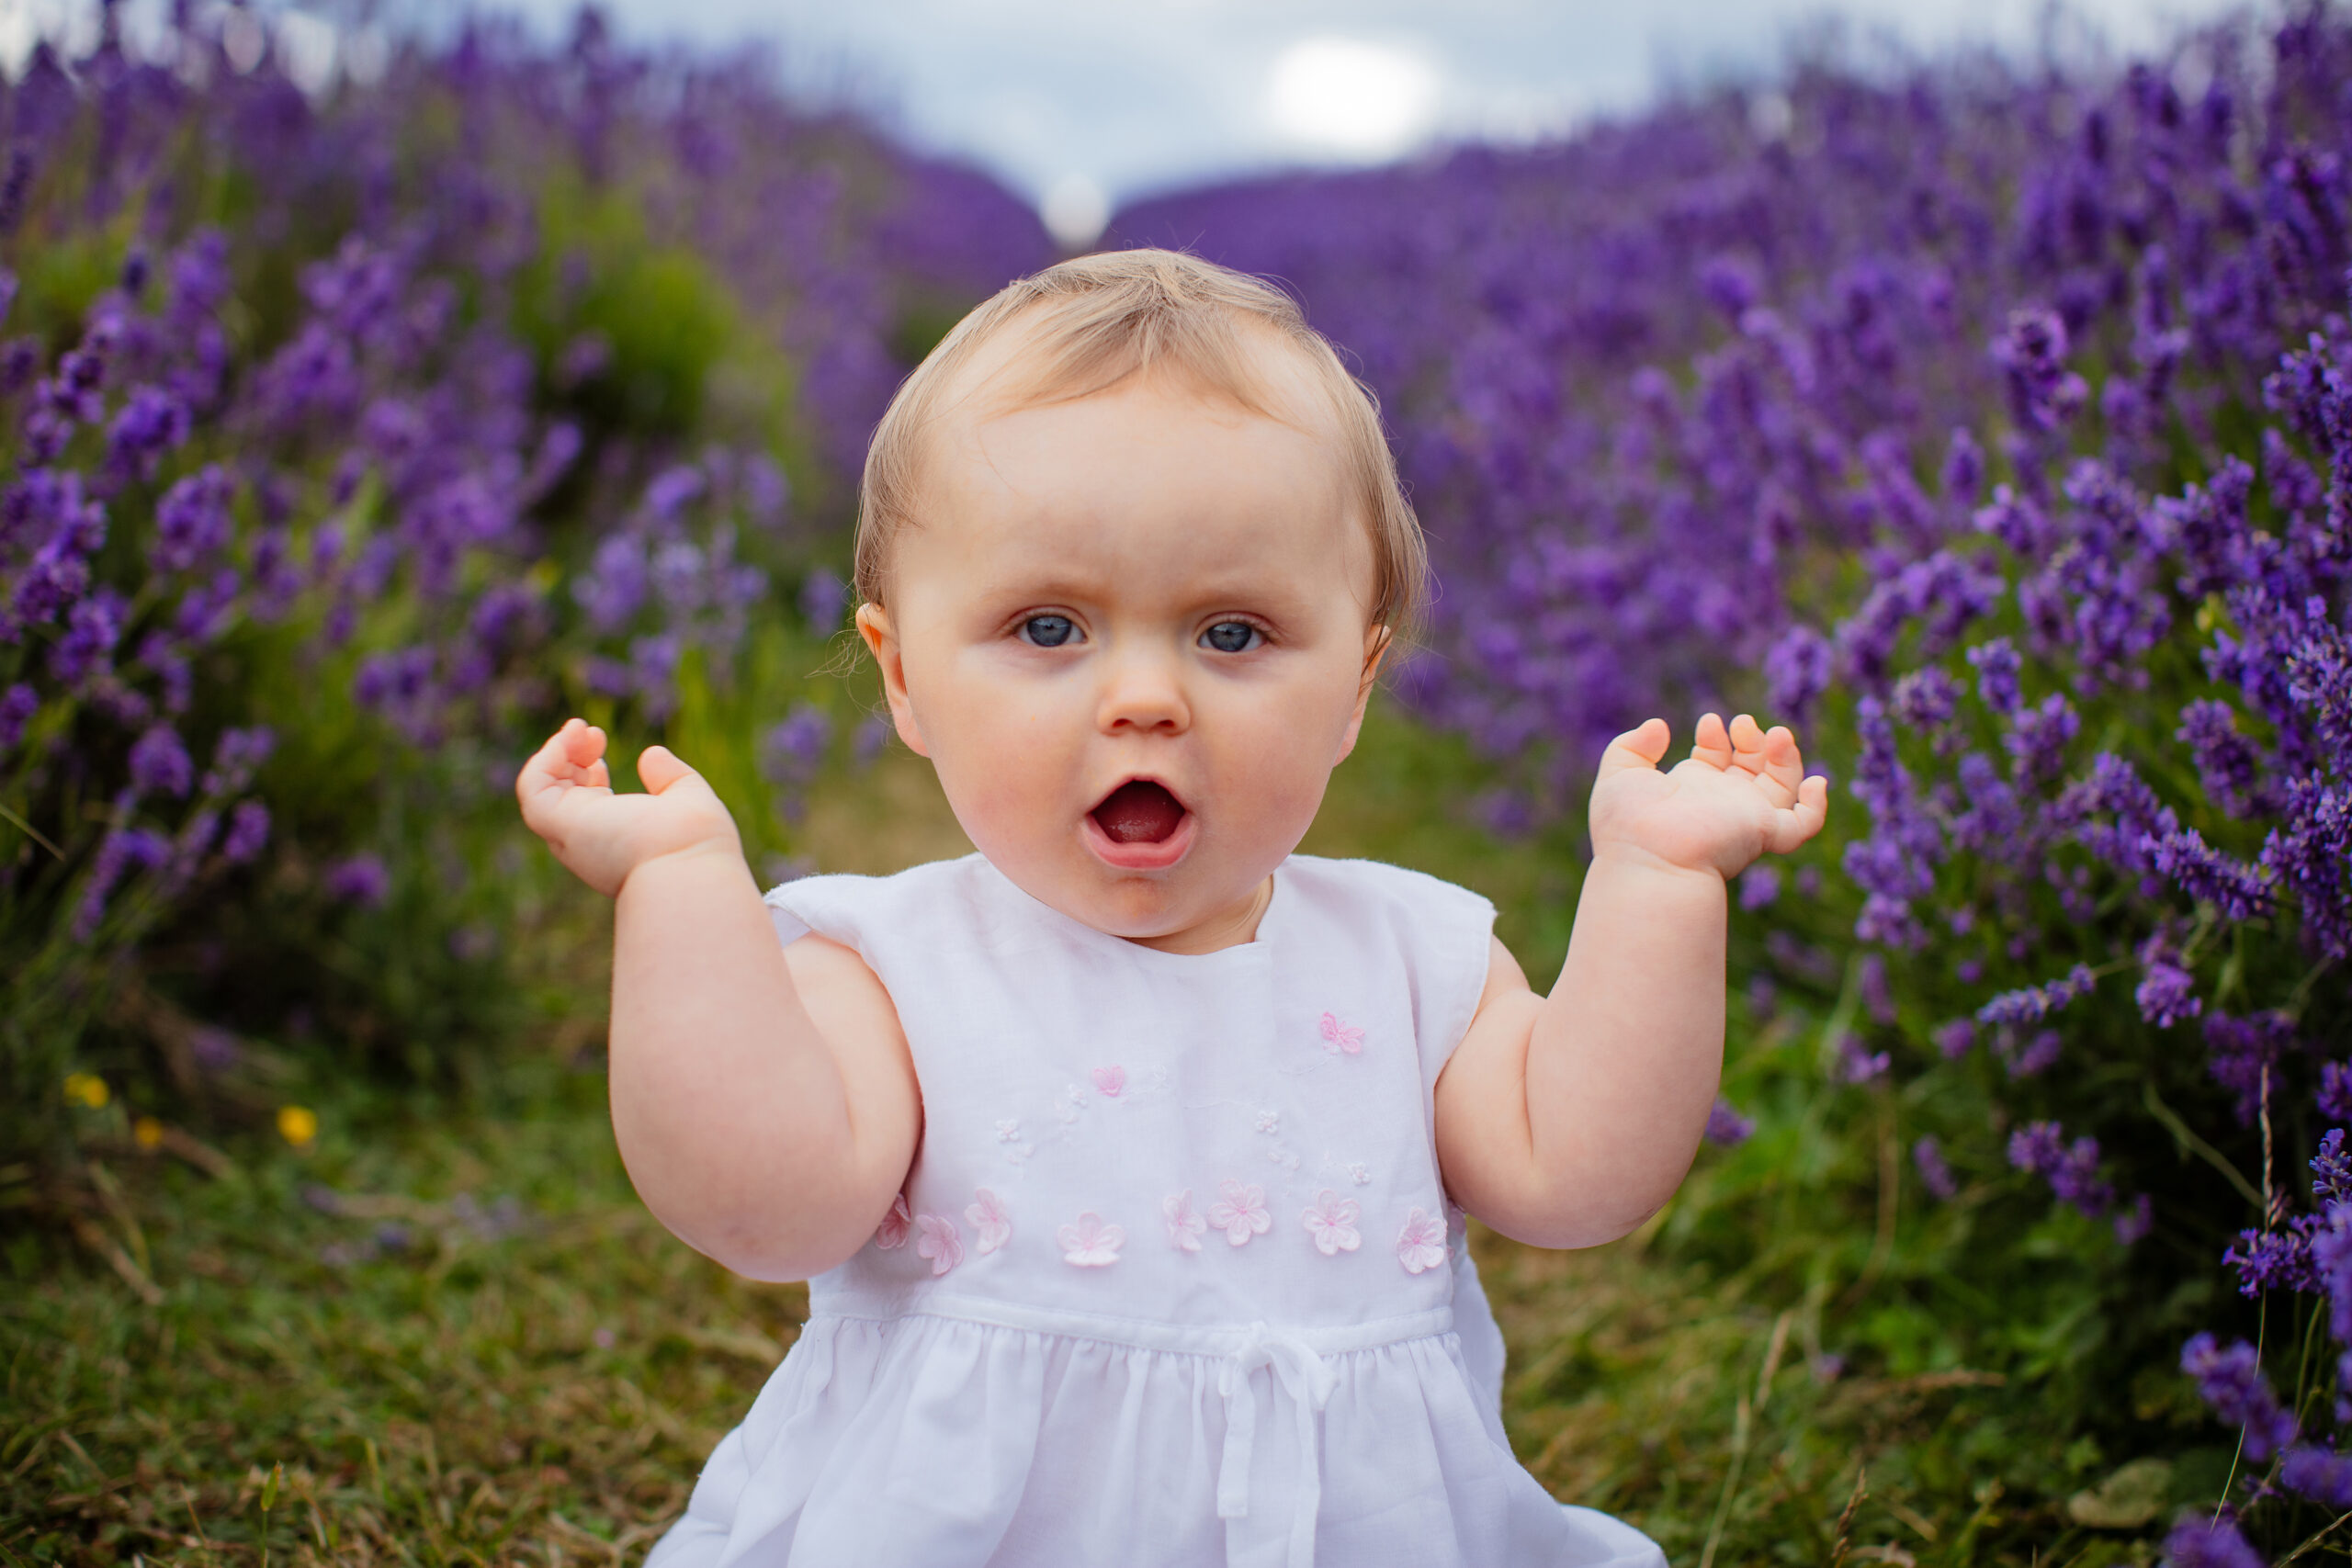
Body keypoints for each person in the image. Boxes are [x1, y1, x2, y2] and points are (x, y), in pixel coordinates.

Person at [515, 249, 1828, 1566]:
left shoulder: (1417, 967)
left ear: (1358, 684)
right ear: (902, 675)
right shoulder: (892, 973)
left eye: (1233, 634)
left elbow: (1582, 1176)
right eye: (1047, 629)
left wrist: (1657, 887)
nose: (1145, 697)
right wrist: (684, 891)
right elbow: (764, 1207)